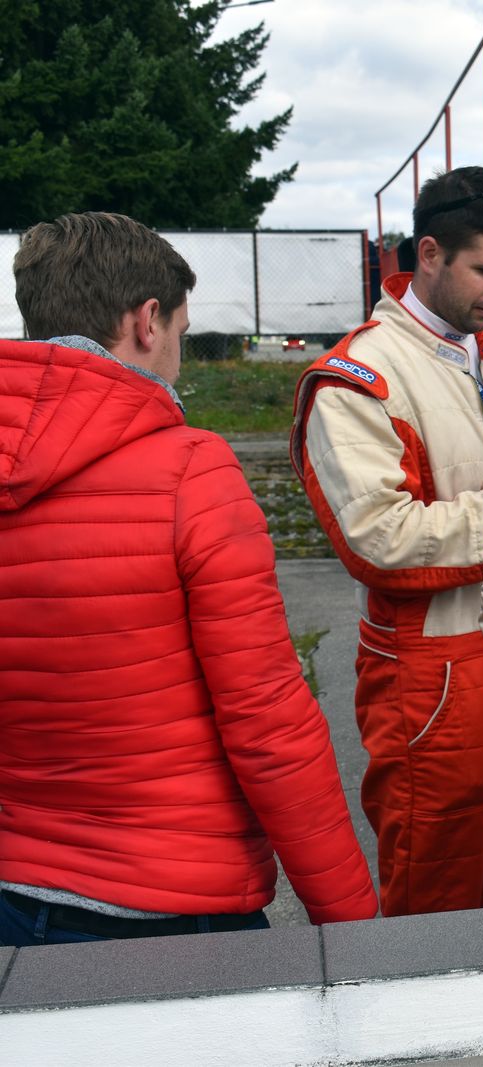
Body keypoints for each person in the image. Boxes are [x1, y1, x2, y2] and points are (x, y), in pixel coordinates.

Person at [0, 212, 377, 945]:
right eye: (181, 330)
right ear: (147, 322)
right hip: (177, 909)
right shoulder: (190, 472)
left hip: (15, 899)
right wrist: (351, 926)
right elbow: (269, 725)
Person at [290, 167, 483, 916]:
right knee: (436, 900)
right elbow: (379, 538)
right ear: (429, 253)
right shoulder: (357, 377)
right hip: (432, 684)